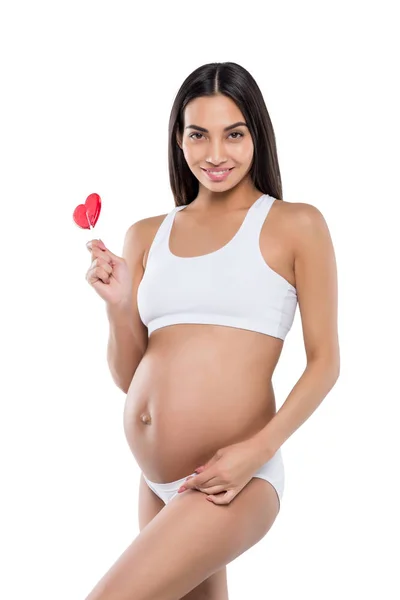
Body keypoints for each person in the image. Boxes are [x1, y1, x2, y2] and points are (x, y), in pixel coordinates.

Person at [84, 61, 340, 600]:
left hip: (235, 478)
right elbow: (131, 376)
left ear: (257, 137)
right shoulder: (147, 234)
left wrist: (255, 451)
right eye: (198, 134)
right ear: (179, 140)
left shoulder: (296, 225)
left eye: (234, 134)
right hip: (156, 482)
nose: (216, 154)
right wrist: (118, 305)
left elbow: (325, 362)